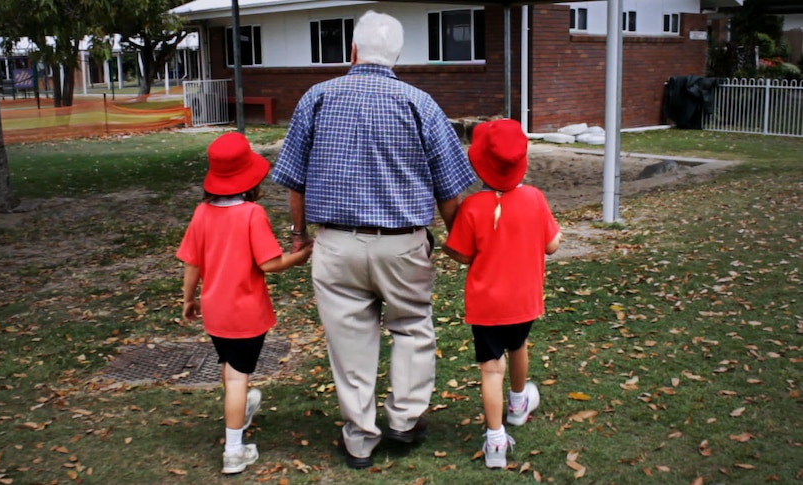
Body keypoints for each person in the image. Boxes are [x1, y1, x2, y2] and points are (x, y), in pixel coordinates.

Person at [271, 10, 475, 470]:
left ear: (354, 51)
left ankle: (360, 437)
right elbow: (449, 188)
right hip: (403, 243)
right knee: (411, 328)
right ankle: (404, 419)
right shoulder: (420, 103)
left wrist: (298, 235)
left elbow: (295, 181)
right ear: (397, 56)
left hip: (336, 243)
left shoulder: (317, 97)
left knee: (349, 341)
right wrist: (461, 242)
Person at [176, 132, 313, 474]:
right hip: (246, 313)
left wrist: (189, 299)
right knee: (238, 377)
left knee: (231, 369)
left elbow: (191, 262)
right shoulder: (252, 214)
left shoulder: (201, 213)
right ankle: (234, 451)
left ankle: (242, 407)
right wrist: (302, 255)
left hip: (215, 310)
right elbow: (269, 263)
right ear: (251, 180)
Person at [442, 119, 561, 469]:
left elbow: (463, 254)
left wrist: (448, 246)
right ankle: (519, 403)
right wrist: (559, 234)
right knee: (519, 345)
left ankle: (495, 442)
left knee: (492, 368)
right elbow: (552, 245)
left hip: (486, 305)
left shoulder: (472, 207)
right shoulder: (535, 198)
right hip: (524, 300)